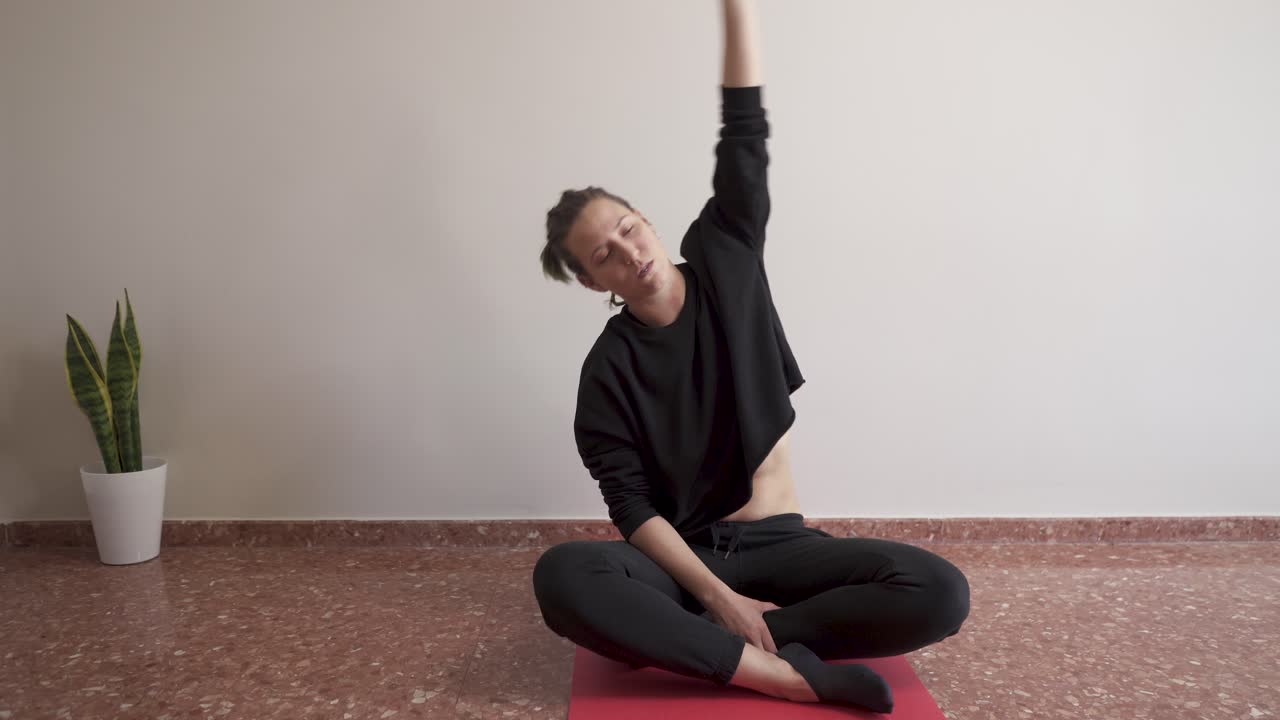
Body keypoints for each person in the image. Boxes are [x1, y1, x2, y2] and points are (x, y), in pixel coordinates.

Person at [533, 1, 969, 714]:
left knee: (940, 591)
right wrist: (718, 595)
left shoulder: (726, 257)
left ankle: (711, 642)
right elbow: (632, 507)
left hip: (783, 546)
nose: (629, 251)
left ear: (645, 217)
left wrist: (739, 8)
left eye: (627, 228)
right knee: (564, 576)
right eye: (603, 255)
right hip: (692, 562)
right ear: (591, 281)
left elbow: (744, 132)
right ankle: (779, 674)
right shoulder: (605, 373)